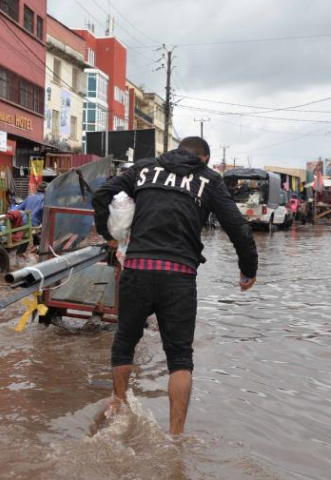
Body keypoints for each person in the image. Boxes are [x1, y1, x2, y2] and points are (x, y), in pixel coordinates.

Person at [92, 136, 258, 435]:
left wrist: (109, 235)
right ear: (204, 158)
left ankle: (118, 403)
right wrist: (248, 270)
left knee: (125, 342)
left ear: (176, 151)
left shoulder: (143, 169)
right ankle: (176, 436)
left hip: (137, 269)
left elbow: (102, 194)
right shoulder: (209, 180)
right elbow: (238, 227)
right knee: (180, 358)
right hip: (179, 277)